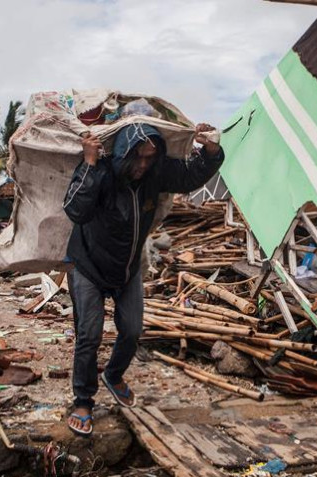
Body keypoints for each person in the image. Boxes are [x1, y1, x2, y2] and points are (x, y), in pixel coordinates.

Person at [62, 121, 223, 436]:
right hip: (88, 267)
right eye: (138, 157)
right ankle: (83, 401)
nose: (143, 164)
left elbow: (191, 176)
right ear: (124, 152)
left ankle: (113, 375)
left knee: (133, 330)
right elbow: (75, 210)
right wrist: (90, 164)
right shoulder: (102, 172)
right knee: (89, 335)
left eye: (150, 157)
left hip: (127, 268)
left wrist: (211, 150)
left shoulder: (156, 173)